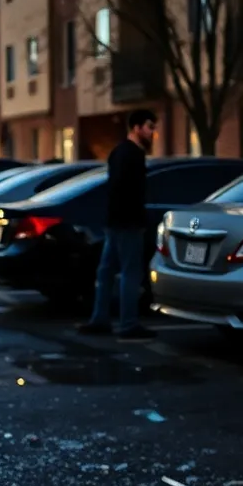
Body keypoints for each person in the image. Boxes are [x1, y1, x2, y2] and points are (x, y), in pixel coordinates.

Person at [78, 109, 158, 341]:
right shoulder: (133, 155)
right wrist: (137, 219)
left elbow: (113, 188)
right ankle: (128, 323)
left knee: (106, 272)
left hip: (114, 222)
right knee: (130, 273)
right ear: (136, 127)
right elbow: (129, 191)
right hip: (128, 223)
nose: (152, 133)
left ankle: (100, 319)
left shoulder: (118, 152)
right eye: (149, 127)